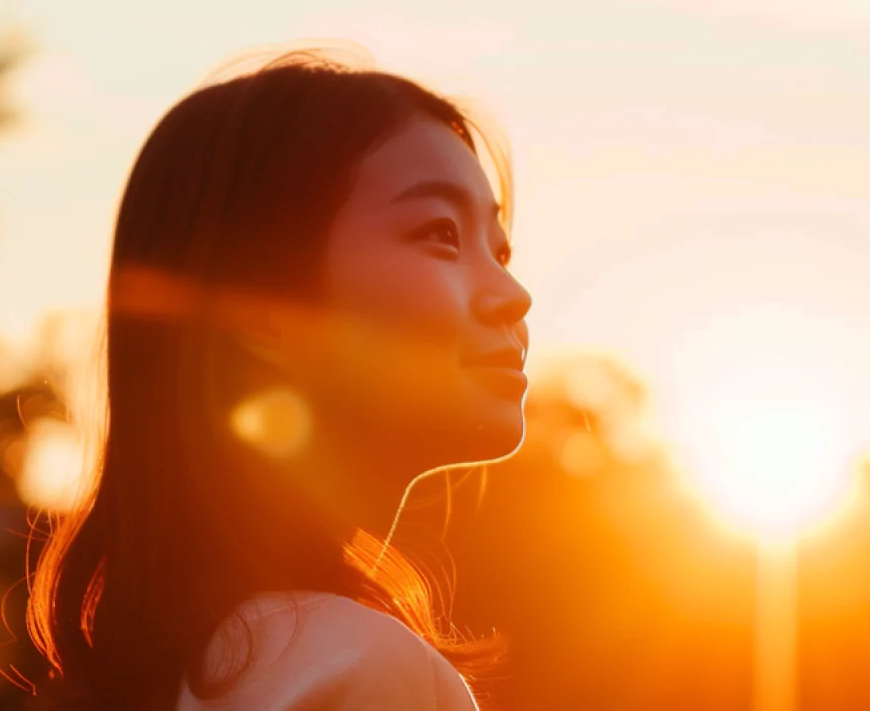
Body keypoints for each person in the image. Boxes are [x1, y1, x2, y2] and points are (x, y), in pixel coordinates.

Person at [29, 47, 528, 711]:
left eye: (499, 250)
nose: (513, 294)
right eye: (440, 233)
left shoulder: (192, 667)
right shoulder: (362, 671)